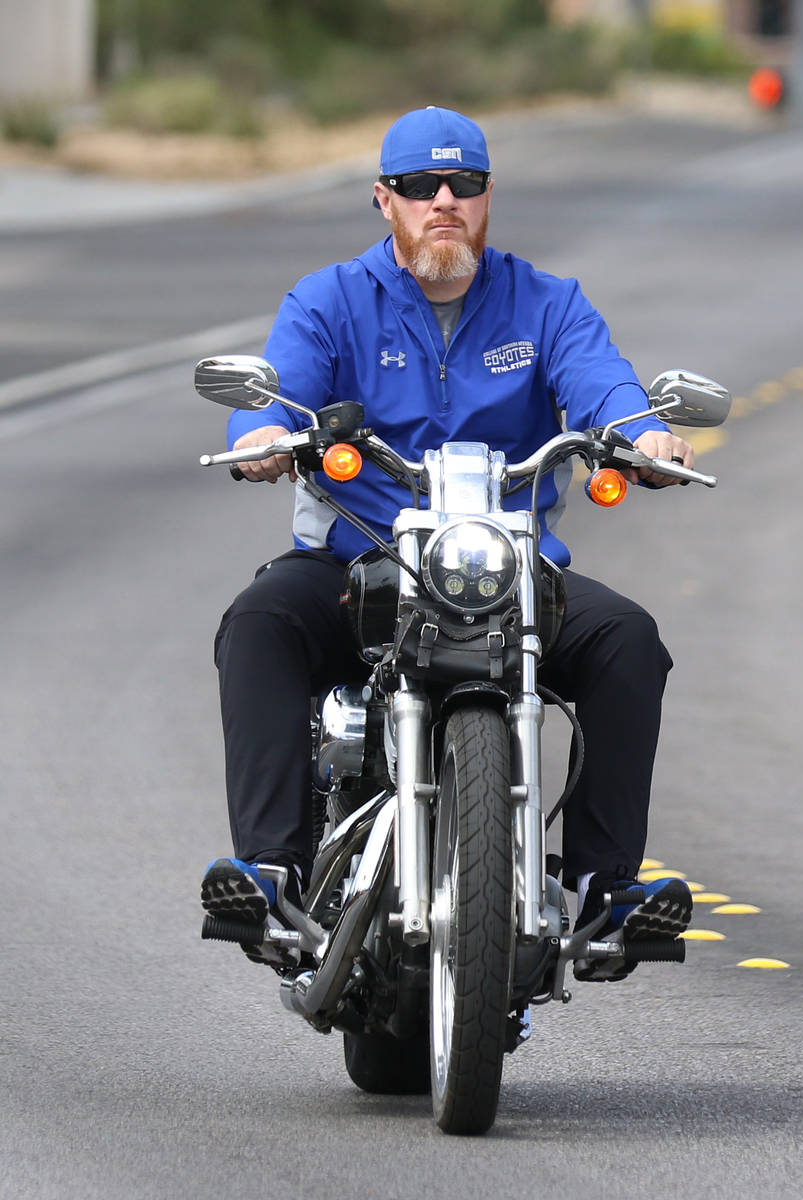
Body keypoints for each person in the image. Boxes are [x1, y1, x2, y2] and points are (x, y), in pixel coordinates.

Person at [201, 106, 694, 979]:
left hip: (507, 568)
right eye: (421, 188)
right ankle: (269, 869)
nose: (443, 203)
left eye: (462, 185)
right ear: (383, 199)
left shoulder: (546, 303)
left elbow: (602, 384)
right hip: (359, 561)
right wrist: (261, 439)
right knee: (260, 621)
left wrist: (642, 437)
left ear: (487, 197)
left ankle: (604, 891)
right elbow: (277, 395)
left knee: (627, 640)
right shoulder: (329, 300)